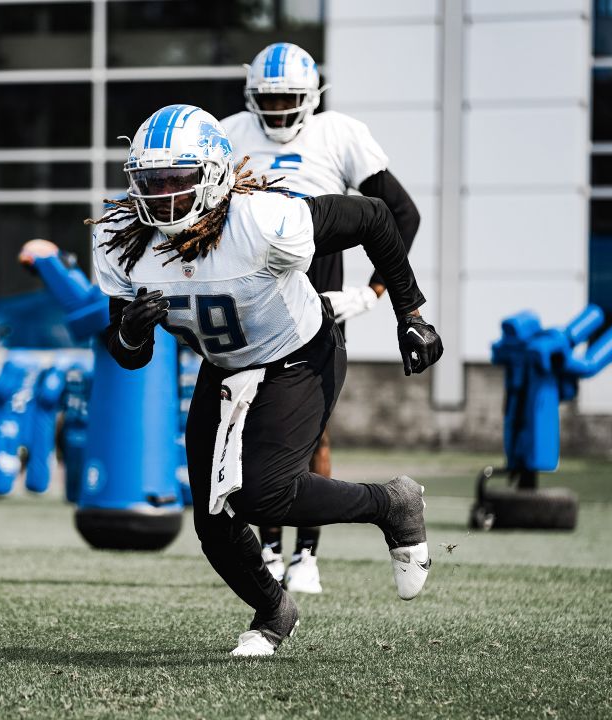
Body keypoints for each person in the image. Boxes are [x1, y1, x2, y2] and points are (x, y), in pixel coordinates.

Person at [89, 104, 442, 657]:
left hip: (300, 352)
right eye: (150, 181)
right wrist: (132, 335)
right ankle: (275, 610)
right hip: (226, 364)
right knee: (212, 519)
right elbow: (128, 356)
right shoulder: (123, 242)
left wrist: (411, 313)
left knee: (264, 494)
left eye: (178, 178)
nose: (163, 194)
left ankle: (392, 503)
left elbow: (375, 215)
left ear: (215, 177)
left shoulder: (262, 220)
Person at [220, 42, 423, 595]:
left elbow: (399, 214)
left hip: (320, 296)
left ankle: (306, 553)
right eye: (270, 99)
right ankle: (266, 546)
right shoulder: (230, 133)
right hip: (253, 296)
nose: (280, 110)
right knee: (250, 425)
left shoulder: (339, 133)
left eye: (289, 99)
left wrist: (376, 291)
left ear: (311, 98)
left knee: (311, 432)